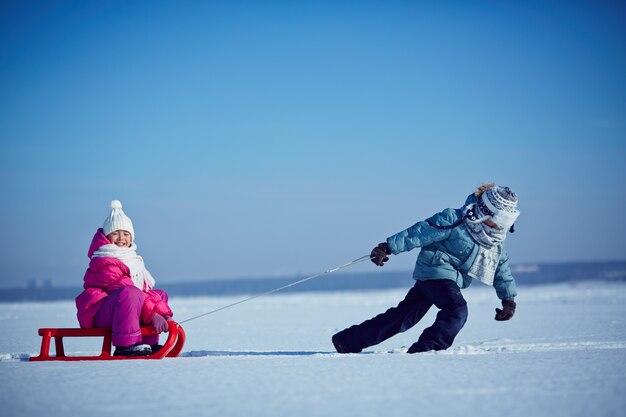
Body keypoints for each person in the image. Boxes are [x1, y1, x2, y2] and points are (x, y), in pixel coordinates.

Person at [332, 183, 520, 354]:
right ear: (485, 210)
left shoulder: (495, 240)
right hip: (435, 270)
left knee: (403, 317)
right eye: (499, 220)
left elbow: (501, 269)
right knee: (456, 309)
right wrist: (387, 247)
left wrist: (508, 300)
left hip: (445, 279)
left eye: (506, 222)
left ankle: (347, 341)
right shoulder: (455, 219)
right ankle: (426, 350)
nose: (499, 226)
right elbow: (420, 233)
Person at [75, 200, 174, 356]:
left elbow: (146, 292)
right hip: (100, 313)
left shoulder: (133, 260)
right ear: (107, 236)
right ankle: (126, 345)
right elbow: (125, 287)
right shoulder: (104, 260)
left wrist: (166, 315)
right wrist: (154, 315)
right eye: (116, 233)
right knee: (131, 293)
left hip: (121, 310)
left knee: (158, 295)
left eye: (126, 234)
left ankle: (149, 343)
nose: (121, 237)